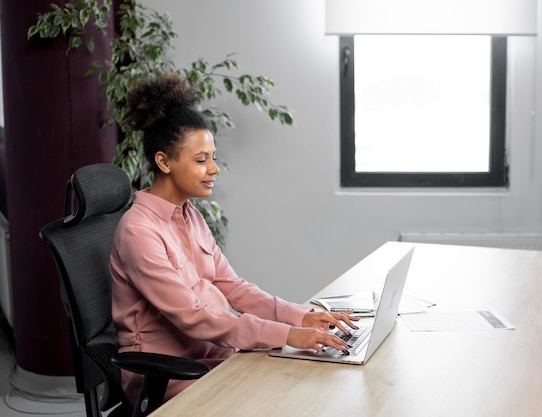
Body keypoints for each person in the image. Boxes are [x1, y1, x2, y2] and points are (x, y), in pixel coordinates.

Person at [110, 73, 359, 404]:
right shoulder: (138, 232)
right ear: (164, 162)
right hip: (170, 373)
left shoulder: (191, 216)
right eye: (201, 160)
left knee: (308, 381)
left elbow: (233, 287)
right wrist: (287, 334)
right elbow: (192, 317)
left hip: (214, 354)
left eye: (213, 157)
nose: (214, 169)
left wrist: (301, 317)